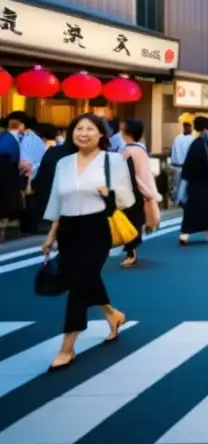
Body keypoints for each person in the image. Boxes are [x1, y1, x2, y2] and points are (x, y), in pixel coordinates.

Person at [39, 113, 134, 370]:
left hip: (96, 228)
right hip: (68, 230)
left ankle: (67, 347)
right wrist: (51, 235)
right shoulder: (64, 163)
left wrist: (108, 191)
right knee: (85, 278)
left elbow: (127, 199)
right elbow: (58, 202)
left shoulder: (112, 160)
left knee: (79, 285)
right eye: (78, 128)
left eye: (89, 129)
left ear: (101, 134)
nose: (83, 133)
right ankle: (112, 315)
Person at [119, 119, 162, 266]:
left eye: (122, 129)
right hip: (139, 190)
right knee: (134, 222)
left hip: (133, 191)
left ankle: (131, 253)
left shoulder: (130, 151)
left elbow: (131, 174)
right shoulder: (139, 149)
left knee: (131, 222)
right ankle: (131, 252)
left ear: (127, 133)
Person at [178, 116, 208, 245]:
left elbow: (188, 165)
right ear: (206, 128)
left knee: (191, 208)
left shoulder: (195, 144)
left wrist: (185, 179)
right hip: (205, 181)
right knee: (206, 208)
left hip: (193, 181)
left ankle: (185, 233)